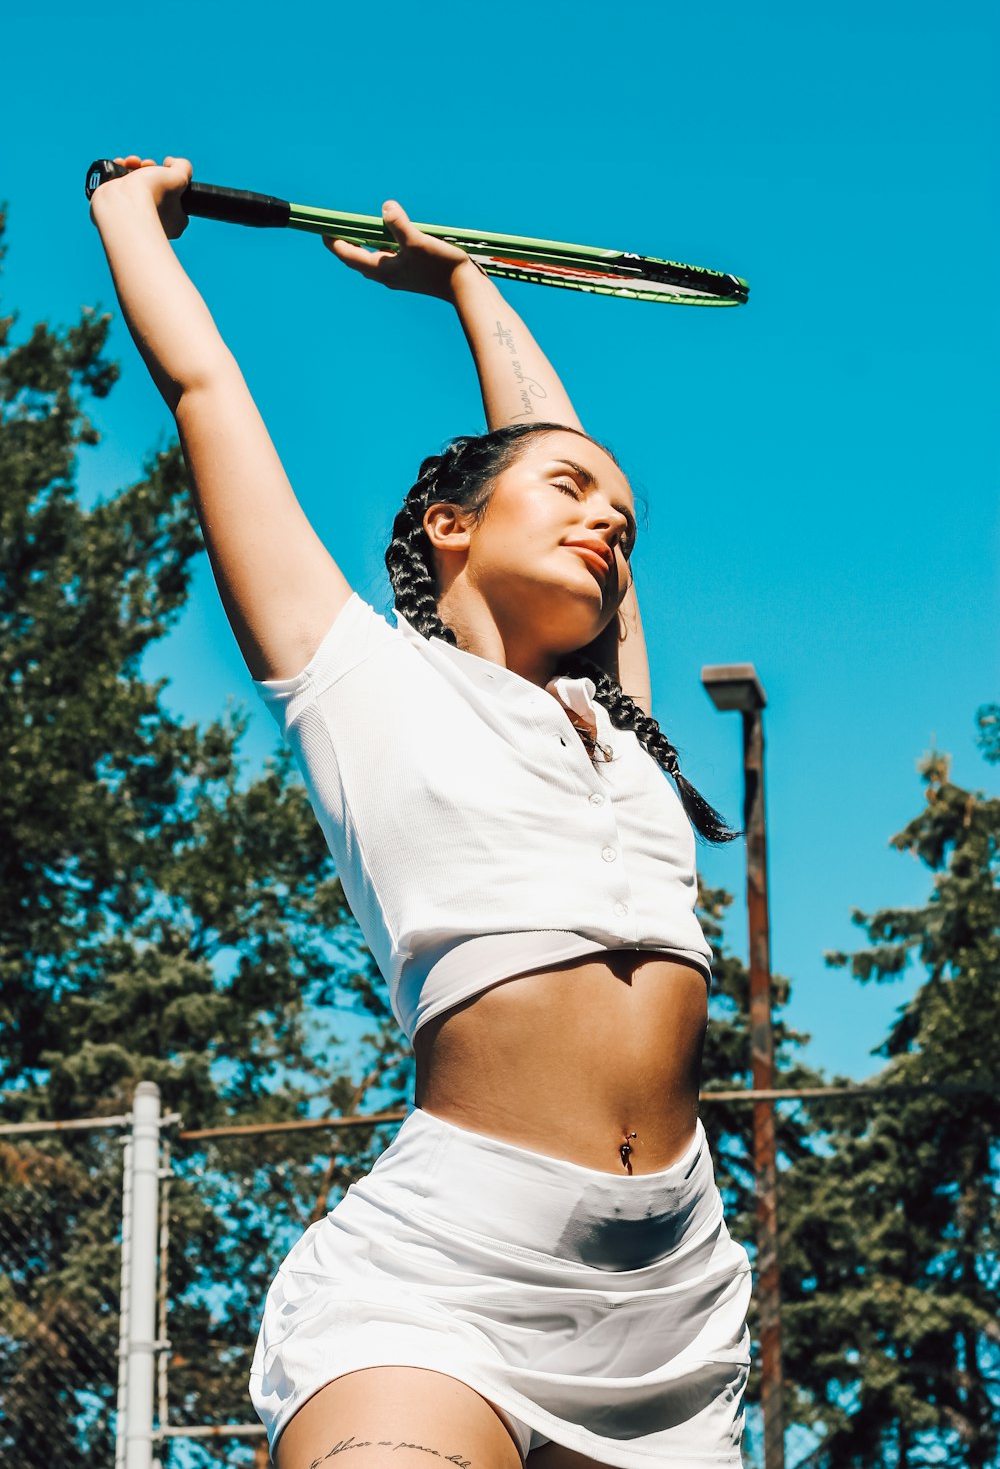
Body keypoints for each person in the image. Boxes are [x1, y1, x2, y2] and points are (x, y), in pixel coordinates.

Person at [91, 156, 752, 1469]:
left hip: (675, 1301)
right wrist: (127, 220)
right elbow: (207, 390)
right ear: (449, 523)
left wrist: (466, 282)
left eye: (622, 521)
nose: (606, 525)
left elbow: (555, 447)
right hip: (445, 1283)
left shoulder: (619, 719)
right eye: (570, 497)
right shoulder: (354, 678)